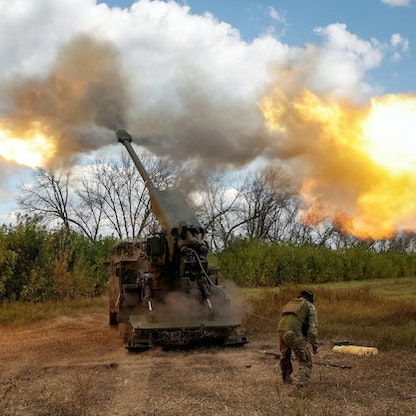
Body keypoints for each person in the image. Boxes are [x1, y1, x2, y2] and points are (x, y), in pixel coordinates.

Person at [277, 289, 318, 389]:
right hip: (292, 332)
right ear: (311, 299)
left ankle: (286, 379)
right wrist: (314, 346)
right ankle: (296, 386)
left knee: (285, 356)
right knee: (306, 363)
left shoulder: (290, 303)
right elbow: (312, 330)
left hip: (280, 331)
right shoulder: (309, 306)